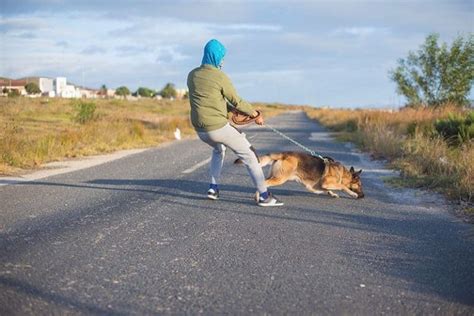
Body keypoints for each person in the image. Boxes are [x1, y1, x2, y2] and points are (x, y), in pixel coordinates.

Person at [187, 39, 284, 207]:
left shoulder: (193, 75)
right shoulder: (220, 76)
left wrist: (230, 110)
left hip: (200, 130)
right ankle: (264, 196)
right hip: (217, 127)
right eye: (222, 57)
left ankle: (213, 188)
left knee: (219, 149)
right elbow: (236, 101)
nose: (223, 61)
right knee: (250, 155)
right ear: (215, 56)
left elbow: (209, 100)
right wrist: (255, 114)